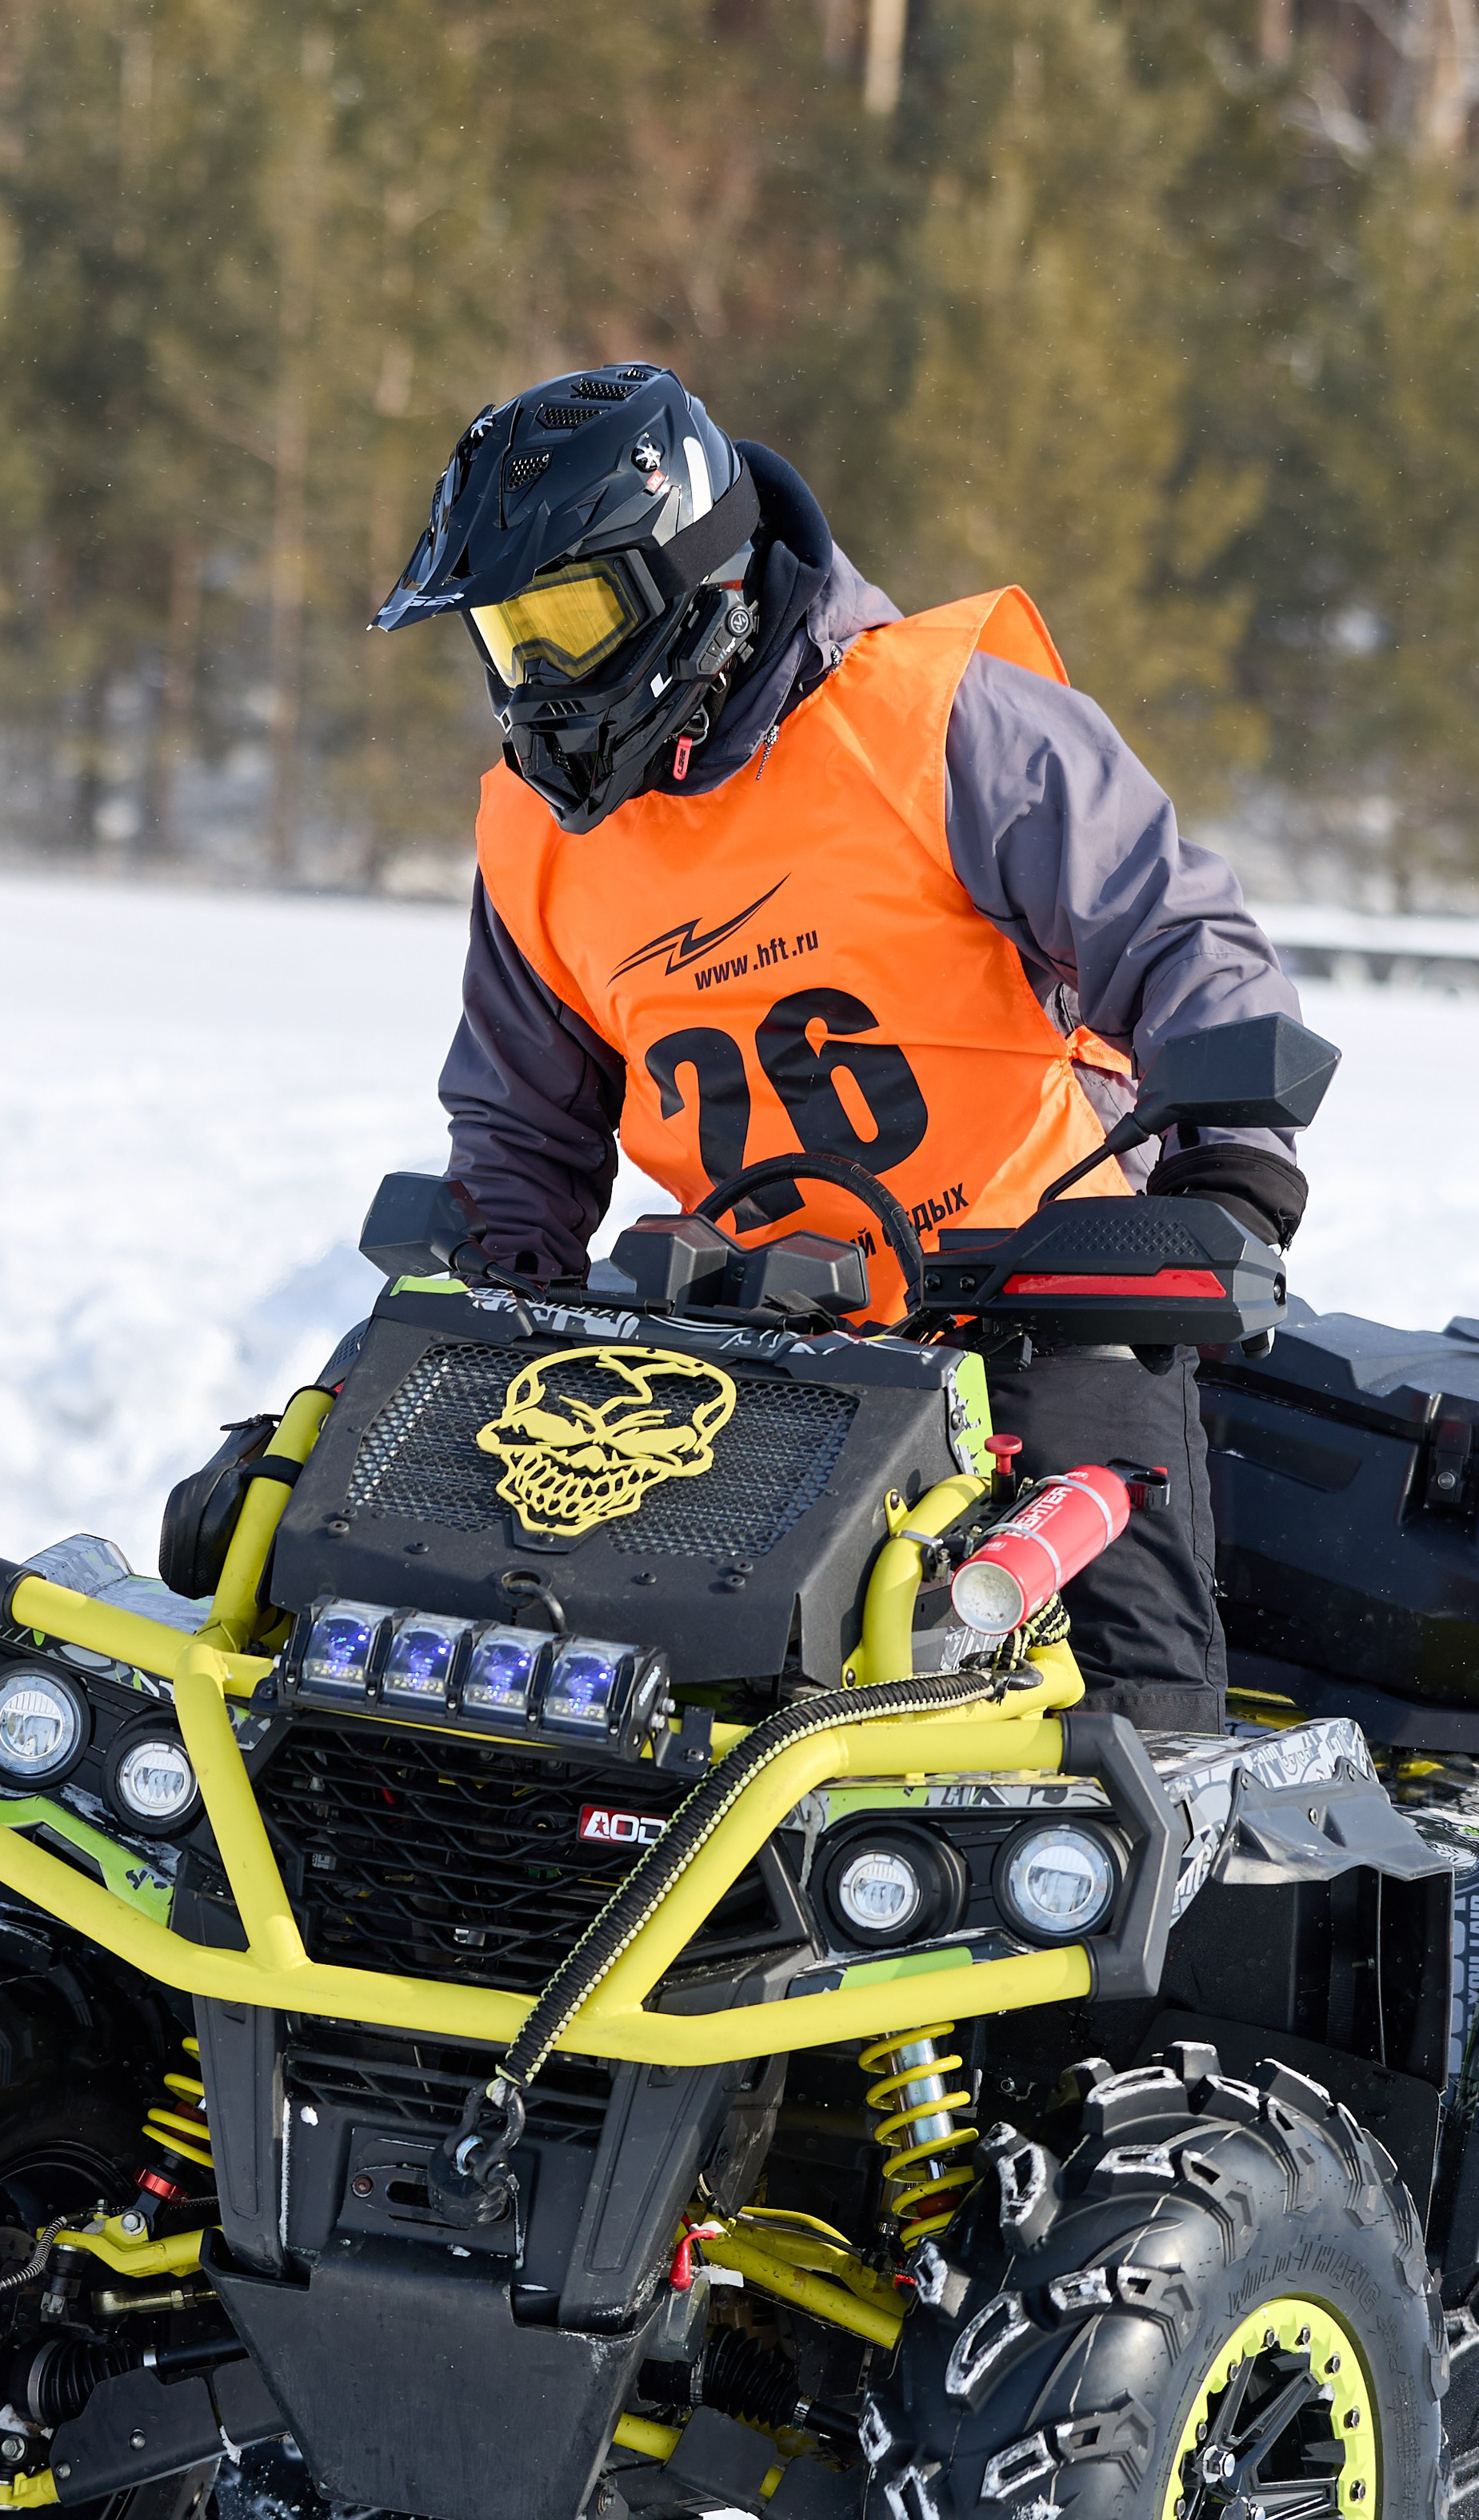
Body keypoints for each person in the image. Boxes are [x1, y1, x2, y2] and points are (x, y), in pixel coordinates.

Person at [374, 365, 1307, 1732]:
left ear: (694, 575)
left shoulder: (945, 724)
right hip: (733, 1333)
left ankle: (1167, 1902)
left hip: (1040, 1314)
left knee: (1118, 1712)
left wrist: (1230, 1176)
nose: (539, 681)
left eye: (568, 622)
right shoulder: (536, 835)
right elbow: (525, 1119)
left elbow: (1183, 942)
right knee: (580, 1667)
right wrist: (492, 1295)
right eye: (512, 638)